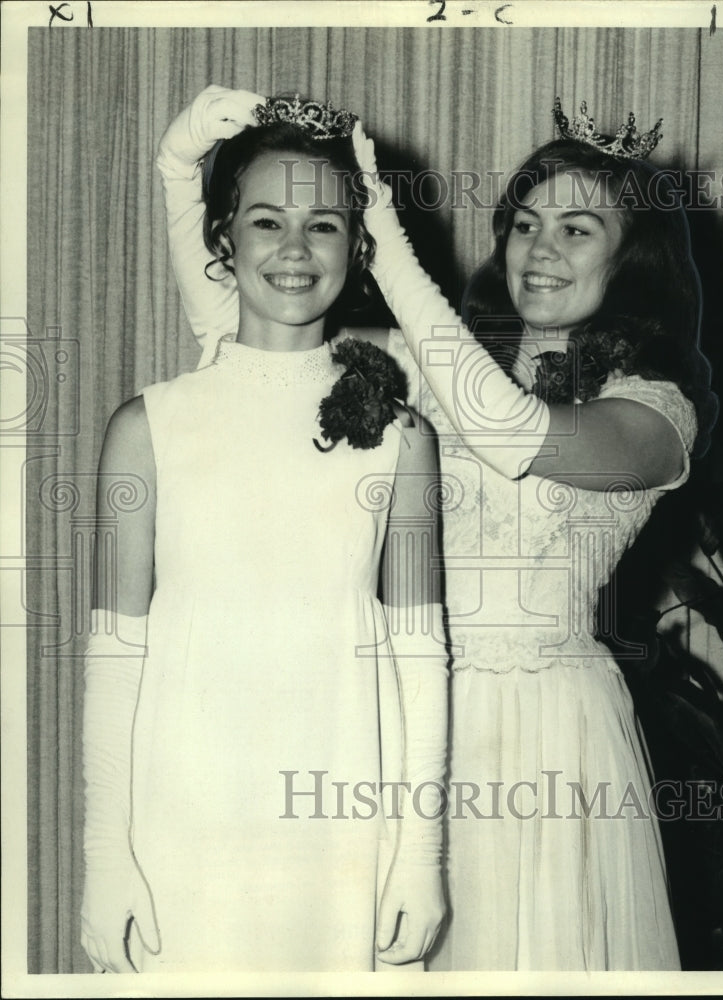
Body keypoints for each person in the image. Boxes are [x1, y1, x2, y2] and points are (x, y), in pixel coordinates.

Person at [156, 90, 716, 969]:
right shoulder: (439, 362)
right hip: (403, 716)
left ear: (632, 259)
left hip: (545, 732)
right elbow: (235, 329)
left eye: (577, 230)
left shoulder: (654, 413)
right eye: (526, 223)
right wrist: (177, 164)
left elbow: (507, 429)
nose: (539, 250)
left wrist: (388, 232)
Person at [79, 91, 448, 974]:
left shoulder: (402, 438)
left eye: (322, 225)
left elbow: (420, 654)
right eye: (266, 220)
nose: (292, 249)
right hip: (187, 810)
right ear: (222, 240)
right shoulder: (147, 427)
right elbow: (114, 652)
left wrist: (419, 856)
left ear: (358, 250)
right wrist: (104, 856)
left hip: (345, 813)